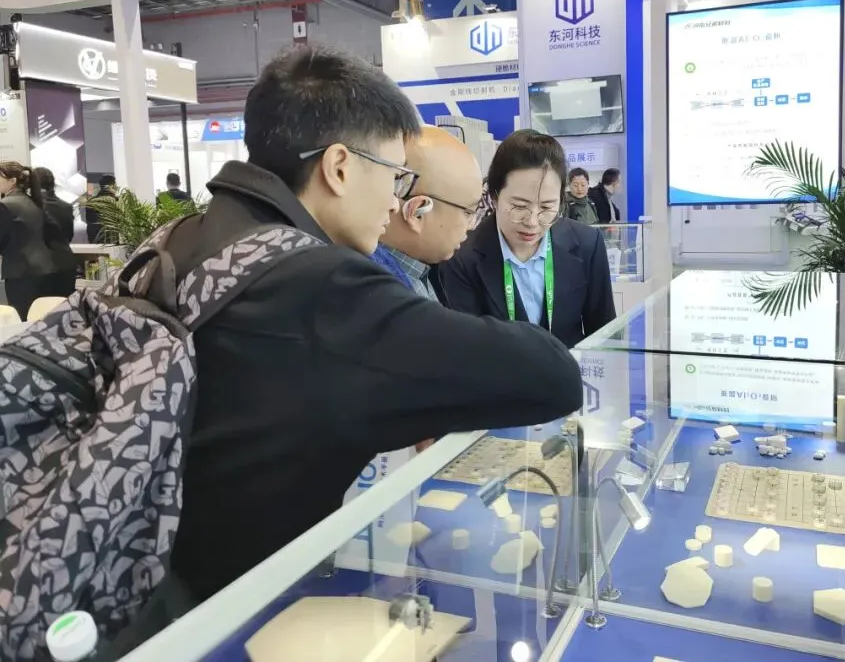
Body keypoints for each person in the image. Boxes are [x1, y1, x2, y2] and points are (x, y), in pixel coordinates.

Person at [161, 46, 582, 603]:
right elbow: (552, 375)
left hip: (154, 576)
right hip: (228, 610)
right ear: (339, 167)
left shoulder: (181, 239)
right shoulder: (319, 284)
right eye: (394, 175)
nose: (396, 199)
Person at [439, 130, 617, 348]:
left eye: (547, 207)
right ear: (494, 196)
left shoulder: (587, 244)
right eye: (519, 206)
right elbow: (467, 350)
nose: (532, 222)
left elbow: (604, 336)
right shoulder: (461, 258)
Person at [370, 125, 485, 300]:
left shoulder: (418, 270)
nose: (471, 226)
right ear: (418, 212)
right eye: (468, 213)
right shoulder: (383, 297)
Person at [0, 162, 75, 318]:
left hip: (22, 273)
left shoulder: (6, 205)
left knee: (24, 322)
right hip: (47, 271)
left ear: (12, 181)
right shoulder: (33, 202)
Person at [33, 166, 78, 298]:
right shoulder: (67, 206)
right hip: (66, 264)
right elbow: (69, 235)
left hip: (40, 268)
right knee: (63, 307)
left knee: (37, 308)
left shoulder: (31, 206)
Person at [83, 174, 116, 244]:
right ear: (111, 186)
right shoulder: (115, 202)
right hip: (111, 241)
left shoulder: (91, 201)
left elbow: (89, 221)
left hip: (94, 240)